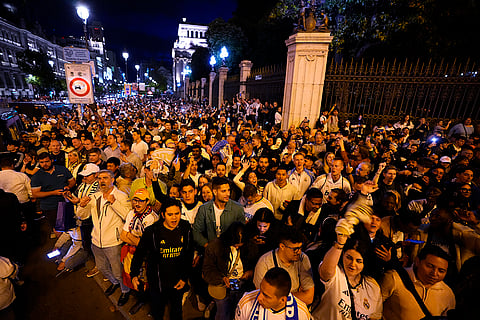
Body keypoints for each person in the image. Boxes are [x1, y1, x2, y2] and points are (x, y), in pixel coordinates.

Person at [130, 197, 193, 320]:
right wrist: (134, 274)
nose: (174, 218)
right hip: (157, 282)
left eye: (177, 214)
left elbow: (188, 254)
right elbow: (139, 254)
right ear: (163, 214)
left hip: (178, 281)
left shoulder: (185, 228)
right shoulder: (152, 232)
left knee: (176, 311)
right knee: (157, 310)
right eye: (170, 214)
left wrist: (184, 278)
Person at [76, 170, 132, 306]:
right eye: (99, 178)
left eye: (105, 178)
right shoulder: (95, 196)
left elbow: (127, 216)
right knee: (101, 268)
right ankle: (114, 283)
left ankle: (125, 290)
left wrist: (114, 203)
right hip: (96, 240)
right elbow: (82, 216)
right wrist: (81, 206)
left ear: (112, 179)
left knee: (118, 271)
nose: (102, 181)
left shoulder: (122, 196)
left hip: (113, 241)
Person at [311, 232, 383, 320]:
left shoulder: (372, 286)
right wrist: (339, 244)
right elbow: (326, 271)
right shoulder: (336, 272)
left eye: (358, 261)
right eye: (349, 258)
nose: (352, 264)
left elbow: (375, 317)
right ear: (343, 254)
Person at [381, 245, 455, 320]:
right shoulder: (394, 278)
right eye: (429, 266)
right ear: (417, 261)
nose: (434, 273)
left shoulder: (447, 294)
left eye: (441, 271)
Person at [203, 222, 255, 320]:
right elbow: (208, 269)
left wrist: (251, 272)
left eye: (239, 245)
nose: (236, 247)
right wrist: (221, 278)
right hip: (222, 285)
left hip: (242, 283)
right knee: (223, 312)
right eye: (235, 245)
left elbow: (255, 263)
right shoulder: (215, 246)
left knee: (239, 310)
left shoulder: (250, 246)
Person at [253, 229, 315, 305]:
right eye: (295, 249)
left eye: (300, 248)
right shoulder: (265, 262)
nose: (299, 252)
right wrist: (299, 294)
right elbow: (263, 298)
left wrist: (276, 297)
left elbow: (308, 298)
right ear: (282, 246)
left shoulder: (302, 258)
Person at [235, 267, 312, 320]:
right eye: (260, 290)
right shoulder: (246, 302)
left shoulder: (301, 313)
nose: (259, 297)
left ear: (282, 300)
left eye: (266, 295)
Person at [31, 152, 76, 237]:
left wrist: (68, 187)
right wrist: (53, 192)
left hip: (66, 202)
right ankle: (61, 246)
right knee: (58, 228)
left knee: (71, 226)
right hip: (50, 206)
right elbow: (35, 194)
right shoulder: (37, 176)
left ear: (52, 160)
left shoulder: (62, 169)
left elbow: (72, 181)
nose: (44, 164)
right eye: (41, 162)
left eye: (47, 161)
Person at [193, 177, 245, 248]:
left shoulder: (238, 208)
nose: (228, 194)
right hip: (210, 252)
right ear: (215, 192)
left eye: (228, 190)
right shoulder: (204, 209)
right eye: (223, 191)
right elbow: (196, 232)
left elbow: (243, 232)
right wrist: (208, 246)